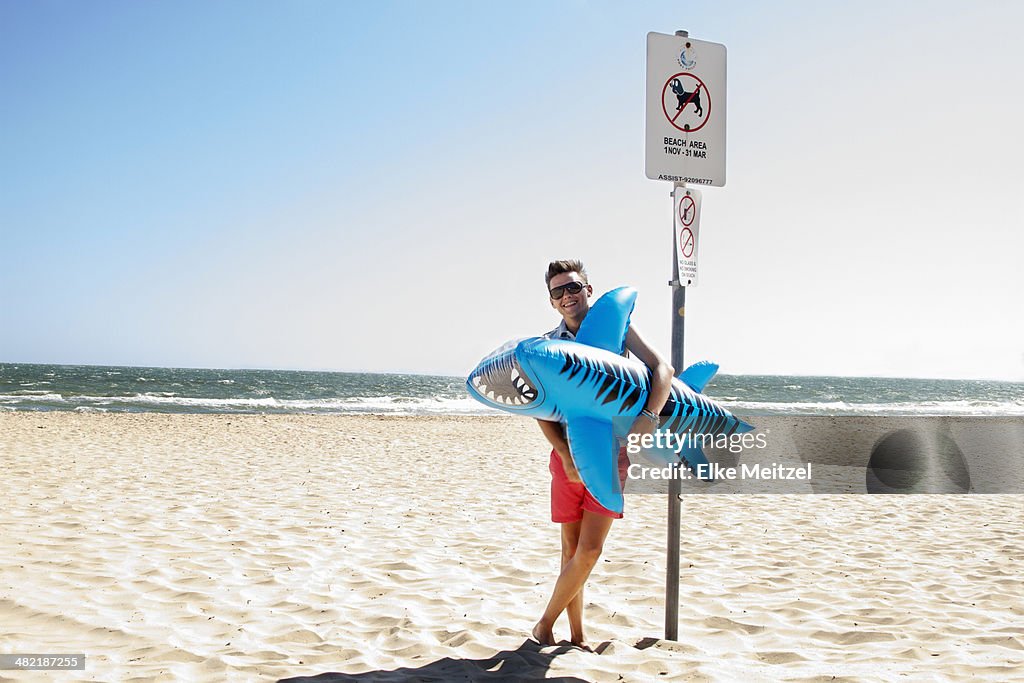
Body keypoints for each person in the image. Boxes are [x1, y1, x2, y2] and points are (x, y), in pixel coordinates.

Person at [532, 259, 674, 649]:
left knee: (590, 550)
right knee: (569, 550)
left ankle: (544, 624)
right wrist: (564, 455)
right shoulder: (551, 344)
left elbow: (663, 368)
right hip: (565, 458)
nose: (567, 297)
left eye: (573, 287)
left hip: (611, 455)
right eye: (558, 292)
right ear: (551, 301)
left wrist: (649, 415)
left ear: (588, 290)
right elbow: (541, 407)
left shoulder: (618, 329)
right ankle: (576, 635)